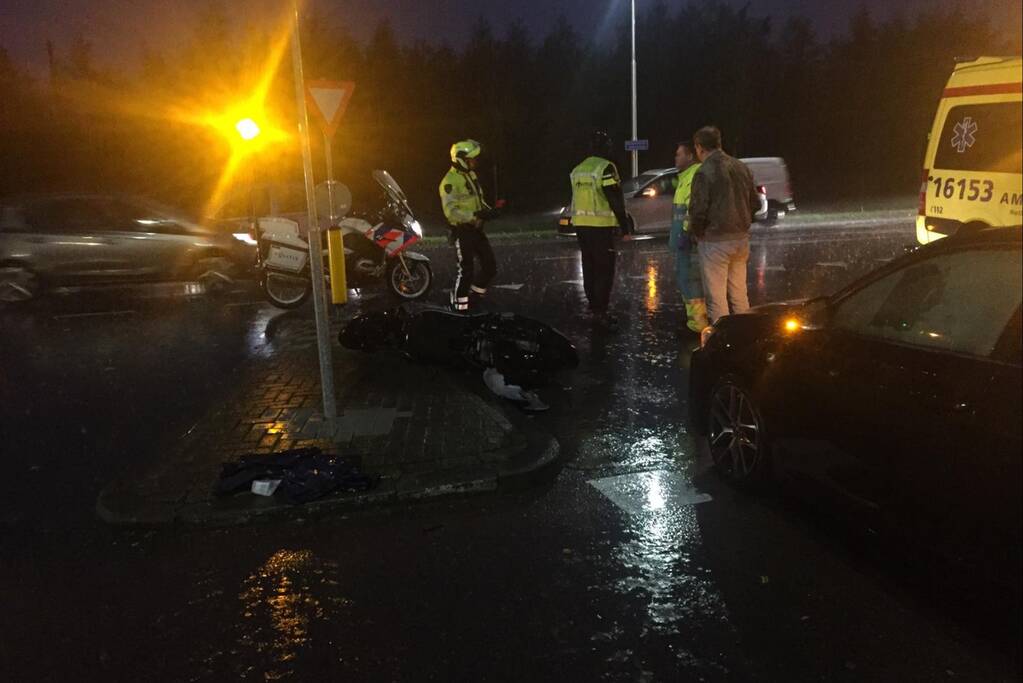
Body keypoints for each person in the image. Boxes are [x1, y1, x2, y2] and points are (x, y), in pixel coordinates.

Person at [688, 126, 761, 325]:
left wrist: (696, 232)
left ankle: (722, 342)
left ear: (699, 147)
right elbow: (756, 203)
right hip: (740, 239)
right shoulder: (740, 167)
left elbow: (698, 210)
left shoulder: (704, 172)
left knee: (716, 298)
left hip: (715, 241)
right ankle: (746, 333)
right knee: (739, 293)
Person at [569, 130, 633, 330]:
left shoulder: (578, 169)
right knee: (604, 271)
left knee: (589, 268)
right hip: (601, 228)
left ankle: (594, 308)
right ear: (605, 147)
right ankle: (601, 313)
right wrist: (625, 226)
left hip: (581, 226)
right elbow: (614, 198)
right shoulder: (605, 168)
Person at [439, 139, 498, 311]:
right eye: (472, 159)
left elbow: (477, 200)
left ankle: (474, 298)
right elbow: (450, 211)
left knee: (490, 267)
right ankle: (459, 309)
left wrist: (489, 211)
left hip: (476, 230)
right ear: (461, 159)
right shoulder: (449, 181)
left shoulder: (470, 175)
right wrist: (473, 217)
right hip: (462, 230)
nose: (475, 162)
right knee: (466, 272)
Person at [669, 141, 708, 333]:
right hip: (682, 239)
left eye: (679, 154)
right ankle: (693, 322)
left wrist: (685, 231)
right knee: (685, 280)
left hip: (688, 239)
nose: (676, 158)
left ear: (690, 156)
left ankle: (698, 325)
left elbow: (693, 209)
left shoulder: (695, 175)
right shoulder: (685, 176)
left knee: (692, 282)